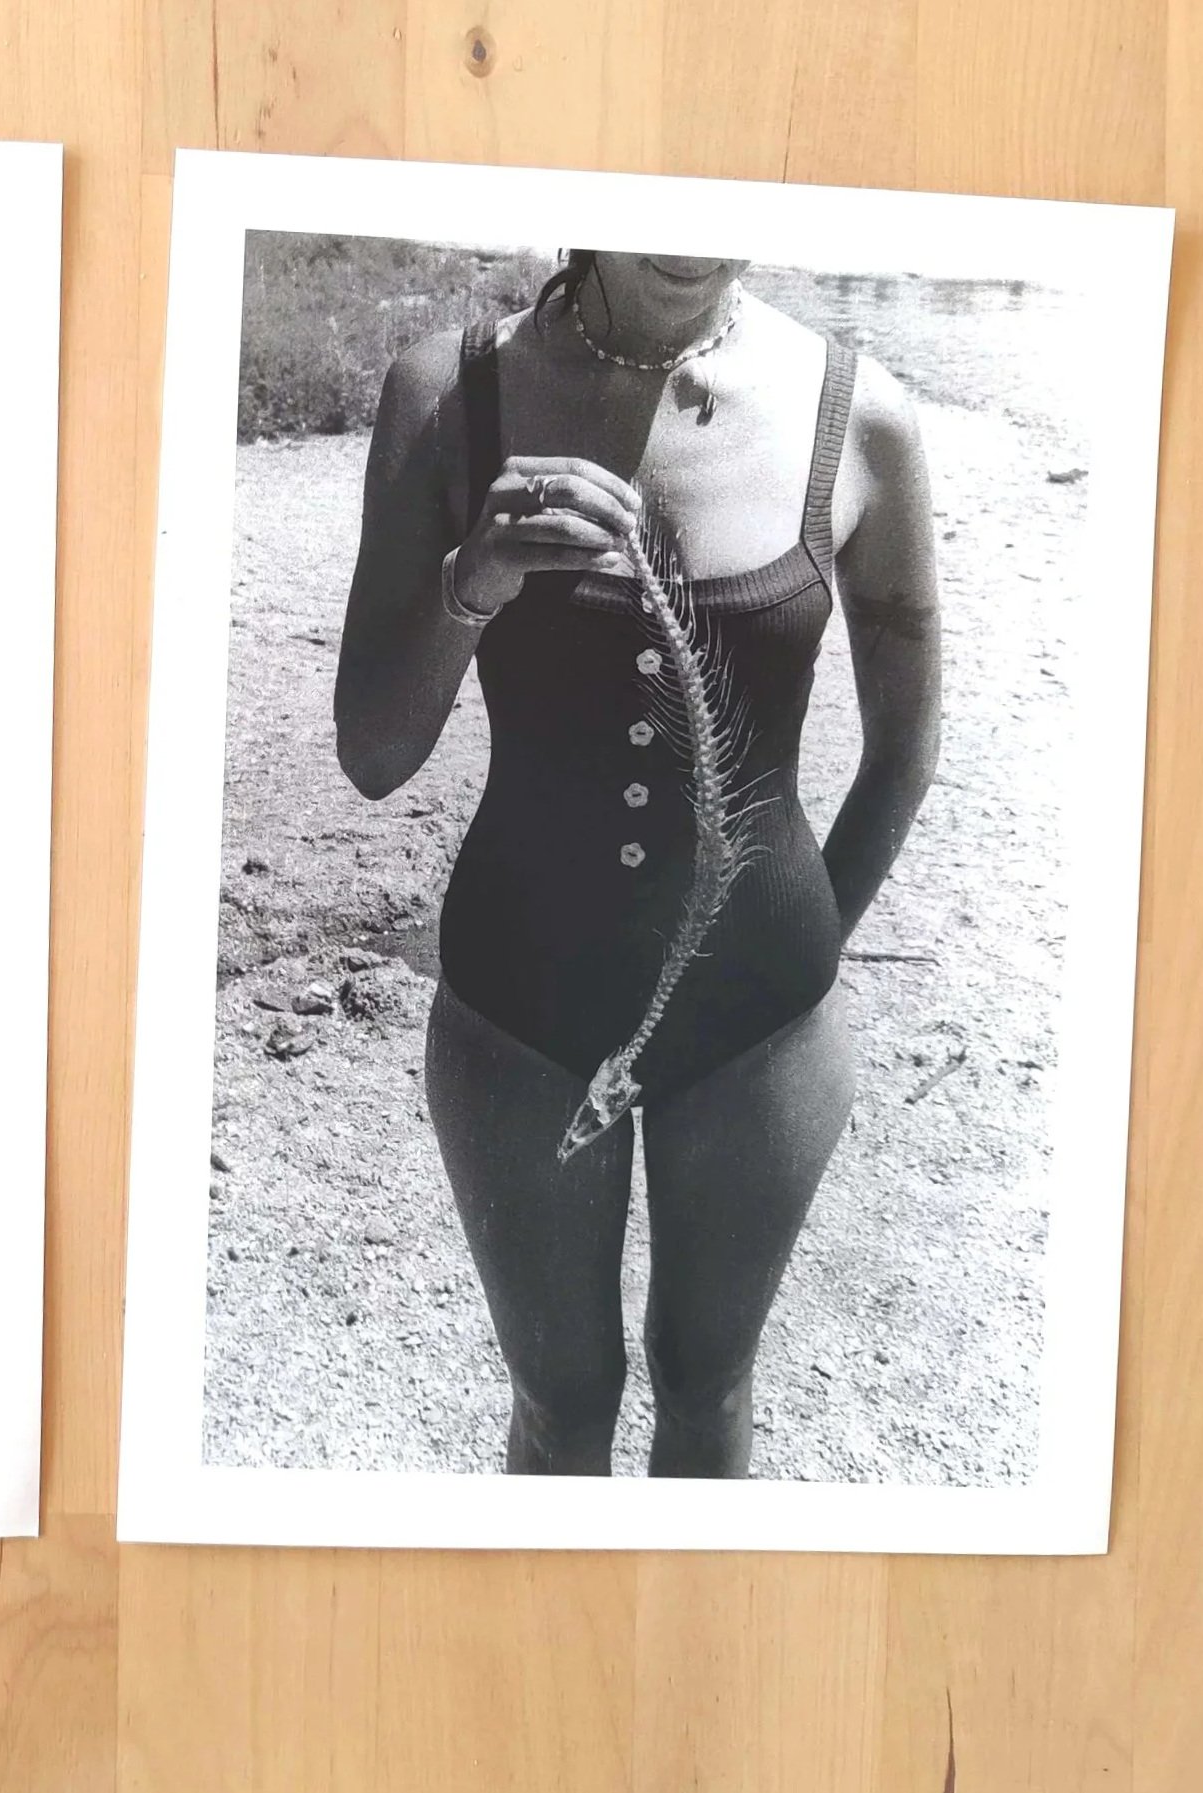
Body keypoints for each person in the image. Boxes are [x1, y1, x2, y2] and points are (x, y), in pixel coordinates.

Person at [332, 252, 941, 1477]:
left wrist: (795, 942)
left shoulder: (858, 414)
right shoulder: (447, 394)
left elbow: (902, 751)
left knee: (706, 1385)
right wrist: (472, 582)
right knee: (559, 1401)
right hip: (518, 1003)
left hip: (762, 1019)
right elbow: (372, 753)